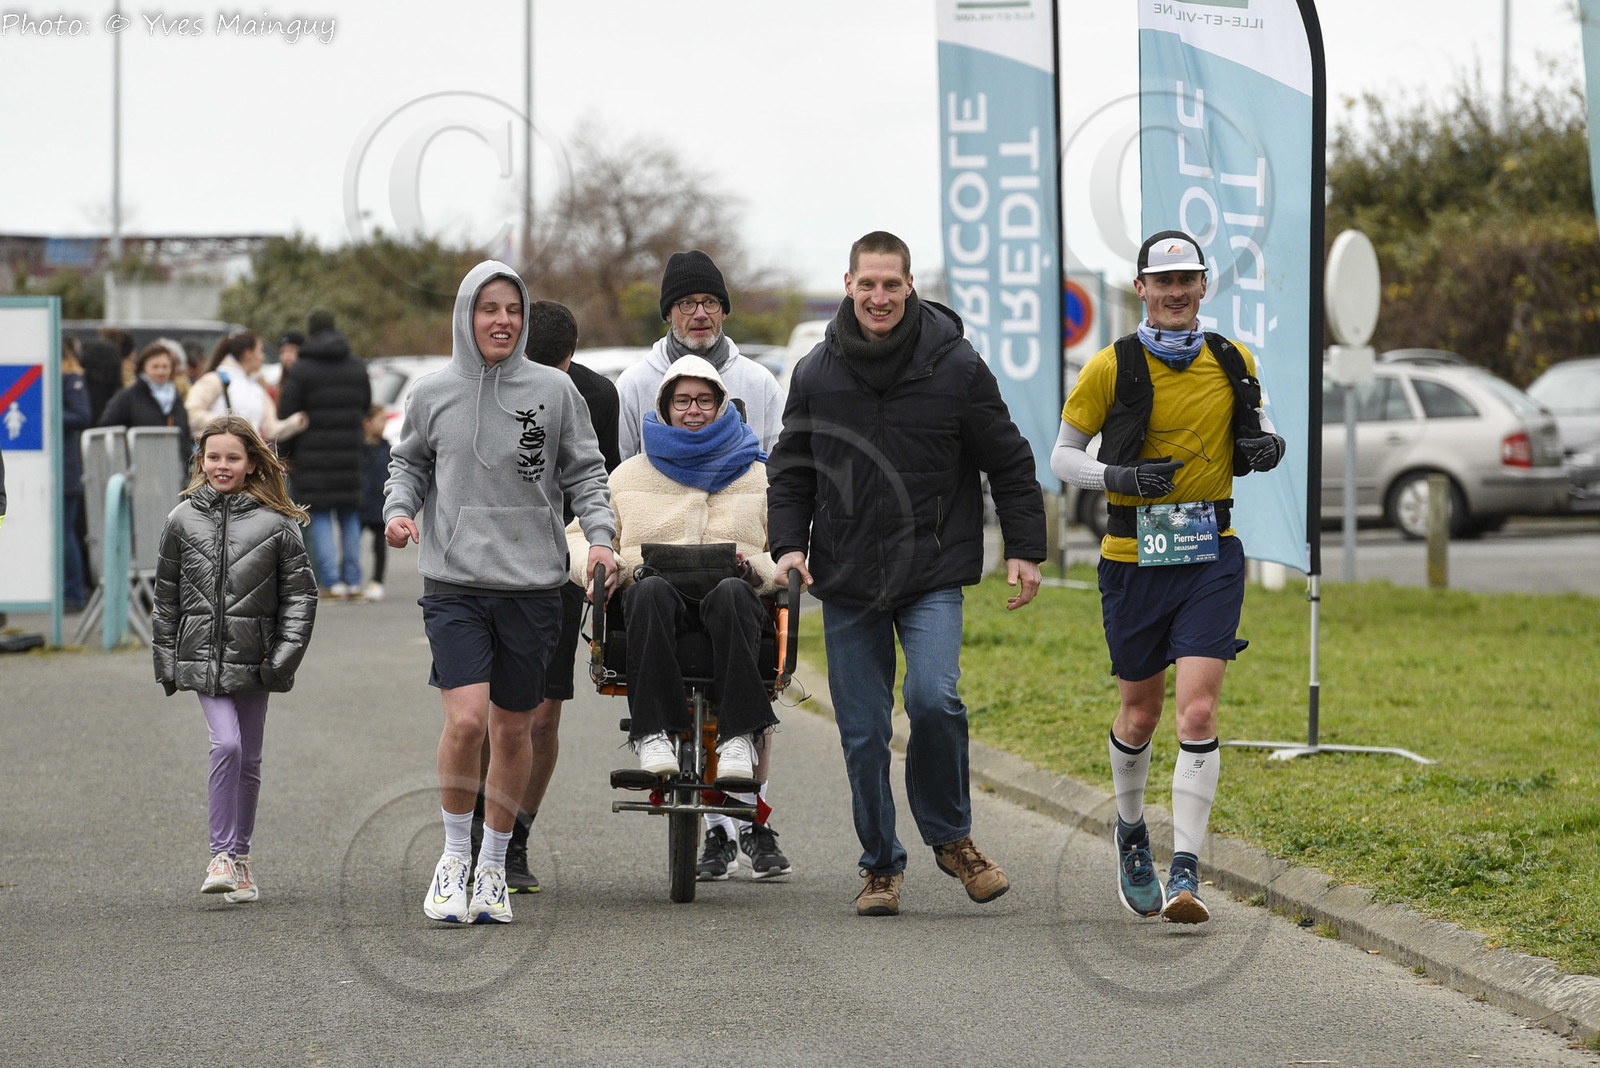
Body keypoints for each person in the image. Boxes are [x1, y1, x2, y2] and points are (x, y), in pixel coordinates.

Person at [767, 230, 1047, 917]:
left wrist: (1025, 547)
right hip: (848, 574)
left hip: (931, 568)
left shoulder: (956, 366)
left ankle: (952, 839)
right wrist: (789, 544)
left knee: (932, 700)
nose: (879, 297)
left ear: (910, 286)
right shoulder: (816, 372)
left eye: (892, 284)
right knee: (864, 732)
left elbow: (1009, 460)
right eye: (867, 284)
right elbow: (791, 469)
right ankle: (880, 867)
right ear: (848, 284)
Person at [1050, 229, 1287, 925]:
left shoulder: (1232, 359)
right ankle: (1131, 833)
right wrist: (1118, 477)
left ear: (1204, 285)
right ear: (1142, 289)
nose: (1176, 292)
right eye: (1163, 281)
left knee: (1199, 712)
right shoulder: (1112, 366)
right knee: (1141, 713)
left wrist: (1266, 446)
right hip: (1133, 559)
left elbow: (1259, 426)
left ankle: (1185, 867)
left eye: (1187, 280)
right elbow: (1062, 456)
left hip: (1210, 553)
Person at [384, 261, 615, 925]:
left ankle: (492, 866)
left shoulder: (553, 390)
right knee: (465, 722)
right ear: (467, 314)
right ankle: (454, 857)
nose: (502, 320)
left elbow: (586, 471)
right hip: (454, 583)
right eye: (489, 308)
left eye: (513, 309)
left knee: (514, 729)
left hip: (532, 585)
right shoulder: (433, 392)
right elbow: (409, 462)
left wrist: (601, 538)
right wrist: (399, 509)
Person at [579, 353, 794, 877]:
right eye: (682, 401)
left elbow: (791, 548)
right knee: (649, 592)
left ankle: (738, 738)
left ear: (722, 405)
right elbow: (583, 537)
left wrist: (759, 570)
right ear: (665, 406)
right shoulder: (629, 474)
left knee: (734, 592)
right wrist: (607, 565)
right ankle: (653, 733)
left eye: (703, 400)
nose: (693, 410)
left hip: (732, 598)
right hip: (656, 599)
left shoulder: (758, 475)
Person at [481, 300, 620, 895]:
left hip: (559, 565)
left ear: (569, 361)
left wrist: (600, 545)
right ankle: (476, 831)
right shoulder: (482, 385)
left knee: (540, 713)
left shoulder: (596, 395)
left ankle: (515, 835)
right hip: (486, 564)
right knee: (484, 712)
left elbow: (602, 479)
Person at [151, 414, 318, 904]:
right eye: (213, 457)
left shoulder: (278, 524)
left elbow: (301, 596)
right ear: (200, 461)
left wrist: (283, 658)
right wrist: (166, 660)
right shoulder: (181, 520)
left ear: (252, 464)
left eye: (232, 457)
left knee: (250, 758)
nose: (221, 465)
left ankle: (241, 860)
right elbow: (165, 598)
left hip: (257, 657)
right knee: (226, 744)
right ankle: (220, 855)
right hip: (200, 657)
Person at [614, 249, 785, 460]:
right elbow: (617, 470)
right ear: (668, 313)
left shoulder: (760, 383)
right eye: (687, 303)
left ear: (724, 311)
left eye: (710, 302)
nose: (701, 314)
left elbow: (780, 467)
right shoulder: (634, 384)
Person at [276, 312, 372, 600]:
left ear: (311, 332)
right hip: (349, 453)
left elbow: (288, 414)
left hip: (312, 455)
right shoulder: (356, 367)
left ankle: (332, 582)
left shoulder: (301, 370)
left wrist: (287, 452)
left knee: (319, 515)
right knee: (349, 515)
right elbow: (366, 405)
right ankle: (353, 581)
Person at [187, 332, 308, 446]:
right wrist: (227, 423)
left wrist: (296, 422)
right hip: (219, 453)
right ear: (248, 354)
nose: (262, 357)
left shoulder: (257, 387)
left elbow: (271, 429)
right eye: (260, 351)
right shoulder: (215, 379)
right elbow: (191, 412)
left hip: (246, 456)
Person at [97, 341, 195, 465]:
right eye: (155, 367)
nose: (161, 372)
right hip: (138, 467)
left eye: (165, 367)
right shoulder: (128, 396)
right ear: (144, 368)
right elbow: (107, 427)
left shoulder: (176, 398)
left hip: (174, 469)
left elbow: (185, 436)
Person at [61, 343, 93, 612]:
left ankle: (73, 593)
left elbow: (83, 416)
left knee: (64, 533)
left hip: (65, 469)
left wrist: (47, 412)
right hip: (63, 468)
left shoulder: (70, 379)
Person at [357, 404, 391, 602]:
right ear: (367, 423)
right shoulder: (358, 448)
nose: (384, 424)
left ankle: (377, 581)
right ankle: (352, 579)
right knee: (353, 543)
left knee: (379, 545)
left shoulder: (388, 448)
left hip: (380, 503)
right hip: (360, 504)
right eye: (381, 420)